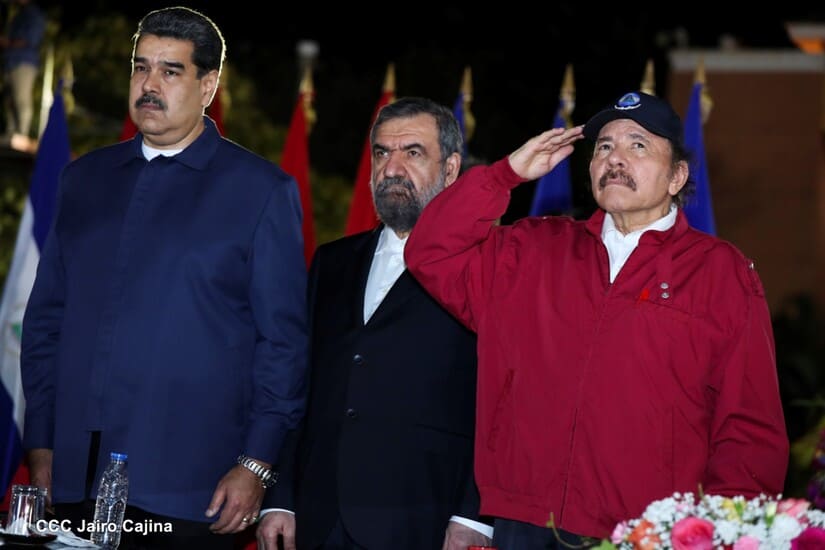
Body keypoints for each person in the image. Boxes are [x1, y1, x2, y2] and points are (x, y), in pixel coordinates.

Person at [404, 91, 789, 548]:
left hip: (646, 531)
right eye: (604, 146)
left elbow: (749, 426)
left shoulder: (721, 272)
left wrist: (725, 530)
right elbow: (429, 251)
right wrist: (505, 175)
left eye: (638, 145)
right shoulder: (533, 249)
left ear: (677, 176)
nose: (615, 158)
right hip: (523, 521)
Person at [20, 7, 308, 549]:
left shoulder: (260, 191)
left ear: (208, 86)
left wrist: (256, 463)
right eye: (141, 67)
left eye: (170, 71)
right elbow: (44, 324)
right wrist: (40, 444)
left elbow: (283, 345)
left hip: (192, 488)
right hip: (73, 479)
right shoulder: (84, 179)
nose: (149, 85)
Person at [256, 97, 492, 550]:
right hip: (317, 517)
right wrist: (279, 498)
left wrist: (474, 516)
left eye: (413, 152)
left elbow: (500, 403)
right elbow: (299, 384)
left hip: (424, 521)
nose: (392, 168)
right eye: (382, 152)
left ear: (450, 169)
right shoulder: (333, 262)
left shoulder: (486, 267)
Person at [0, 0, 46, 139]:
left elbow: (30, 39)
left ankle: (21, 133)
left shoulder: (33, 14)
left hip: (23, 62)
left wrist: (7, 42)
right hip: (10, 62)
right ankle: (12, 133)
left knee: (21, 99)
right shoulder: (18, 14)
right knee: (10, 100)